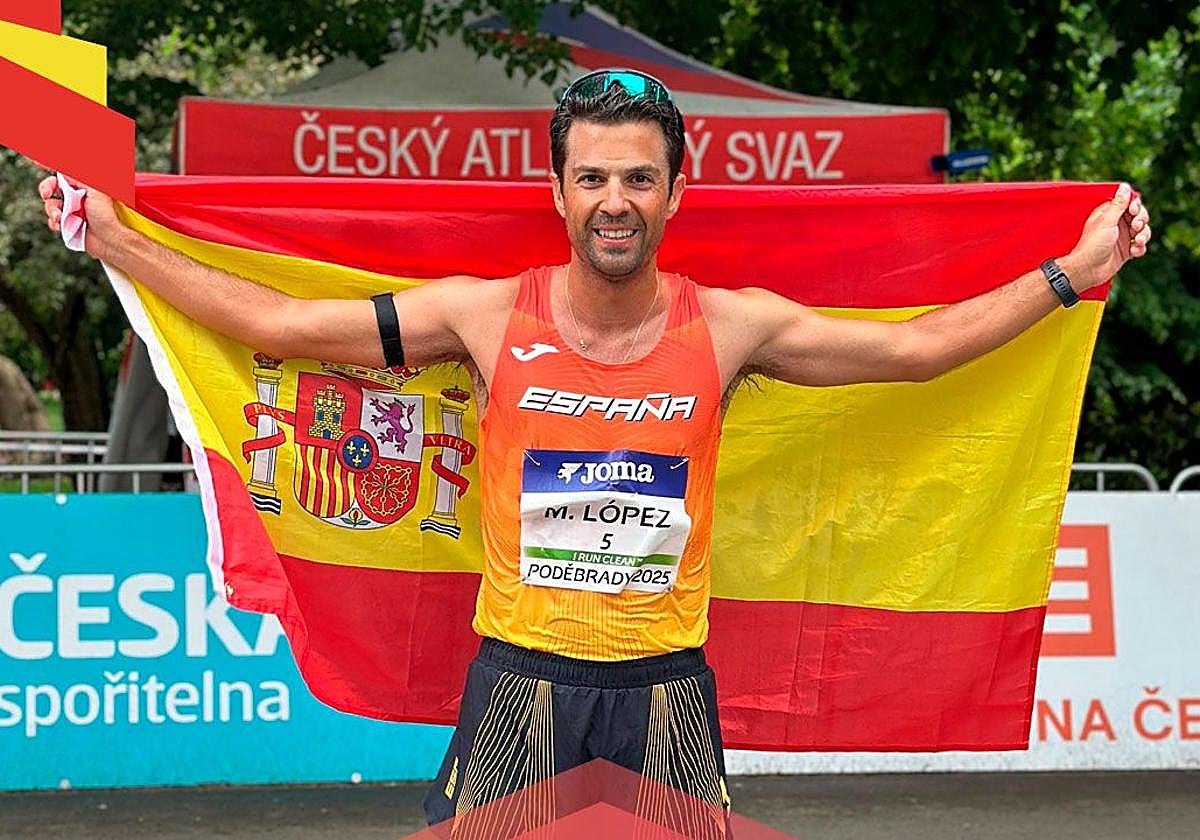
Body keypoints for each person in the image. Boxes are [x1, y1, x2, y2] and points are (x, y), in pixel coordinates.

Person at [41, 69, 1151, 830]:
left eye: (636, 178)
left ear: (674, 191)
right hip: (518, 688)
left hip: (666, 694)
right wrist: (118, 236)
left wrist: (1073, 272)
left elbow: (917, 351)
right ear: (558, 192)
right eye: (592, 178)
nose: (613, 201)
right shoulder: (482, 318)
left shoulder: (730, 328)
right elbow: (281, 328)